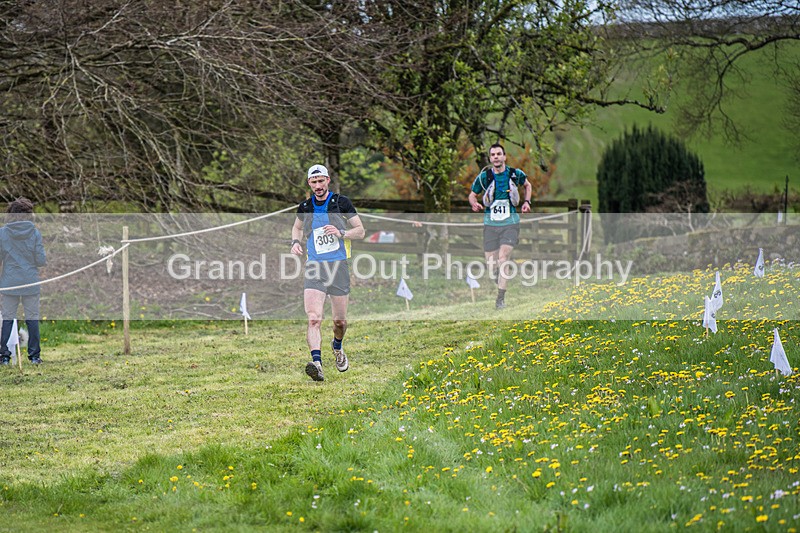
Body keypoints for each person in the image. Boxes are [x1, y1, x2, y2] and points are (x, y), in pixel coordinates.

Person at [291, 164, 365, 382]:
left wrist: (342, 232)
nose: (317, 186)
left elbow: (360, 231)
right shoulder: (305, 206)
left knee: (339, 322)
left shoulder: (342, 203)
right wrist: (295, 242)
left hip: (338, 266)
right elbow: (296, 227)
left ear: (327, 181)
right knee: (314, 318)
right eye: (313, 182)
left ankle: (338, 347)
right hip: (315, 266)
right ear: (309, 184)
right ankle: (317, 364)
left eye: (321, 181)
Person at [468, 143, 532, 310]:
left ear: (504, 157)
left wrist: (526, 202)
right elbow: (472, 195)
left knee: (503, 258)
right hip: (490, 224)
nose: (496, 157)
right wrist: (474, 204)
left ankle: (500, 299)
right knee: (491, 265)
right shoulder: (484, 177)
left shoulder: (514, 174)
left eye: (499, 154)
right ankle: (498, 277)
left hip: (510, 223)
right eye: (493, 155)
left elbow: (528, 185)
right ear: (490, 159)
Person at [0, 197, 47, 365]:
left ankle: (4, 357)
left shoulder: (2, 233)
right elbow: (41, 260)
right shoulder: (35, 233)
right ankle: (35, 357)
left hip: (9, 283)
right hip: (30, 282)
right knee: (32, 319)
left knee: (7, 319)